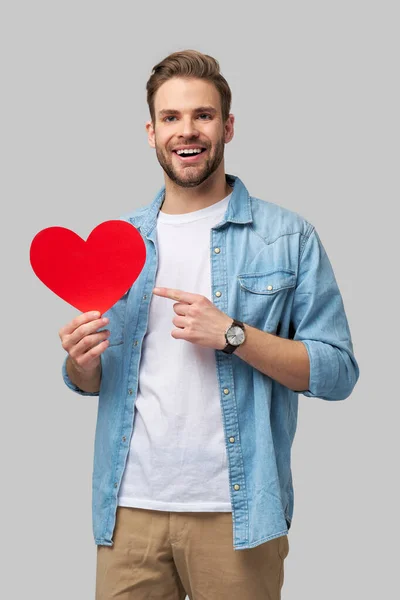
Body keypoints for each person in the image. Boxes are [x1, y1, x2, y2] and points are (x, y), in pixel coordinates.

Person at [59, 49, 360, 599]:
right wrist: (82, 364)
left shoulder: (287, 237)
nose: (187, 131)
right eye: (171, 118)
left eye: (203, 115)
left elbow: (338, 372)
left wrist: (234, 335)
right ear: (151, 132)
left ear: (228, 126)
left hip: (237, 515)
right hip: (128, 515)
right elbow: (94, 383)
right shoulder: (120, 244)